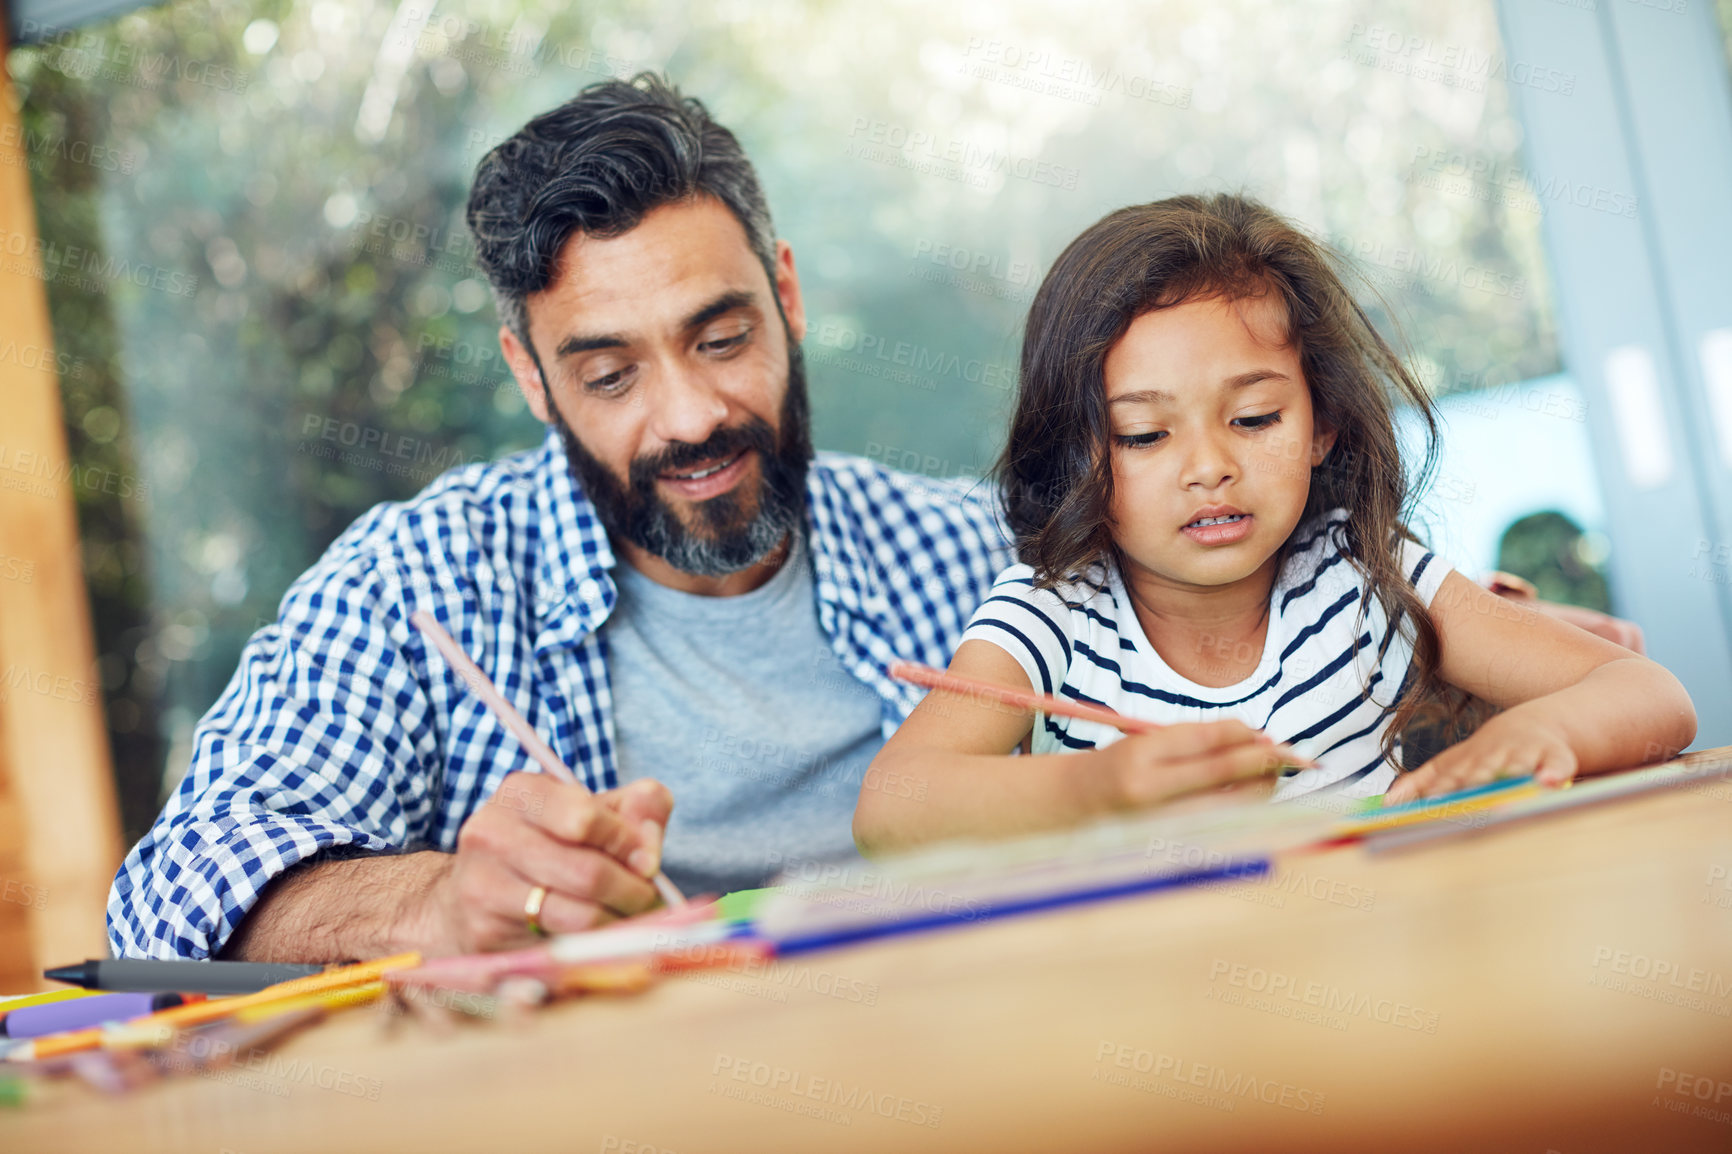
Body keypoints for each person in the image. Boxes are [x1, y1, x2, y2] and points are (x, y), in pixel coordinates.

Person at [854, 194, 1696, 853]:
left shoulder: (1364, 574)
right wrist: (1102, 789)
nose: (1209, 465)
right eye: (1145, 434)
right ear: (1079, 455)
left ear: (1322, 422)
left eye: (1254, 418)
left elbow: (1647, 692)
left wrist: (1539, 732)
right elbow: (892, 808)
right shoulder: (1052, 612)